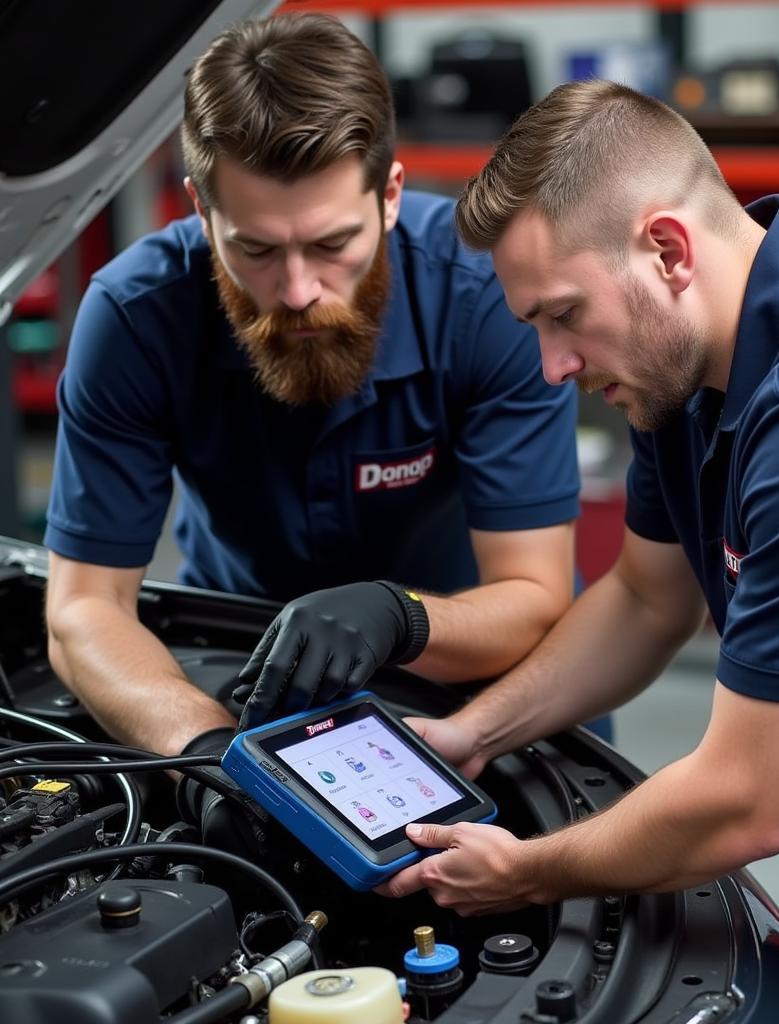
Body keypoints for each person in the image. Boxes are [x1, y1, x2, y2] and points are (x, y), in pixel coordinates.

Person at [378, 79, 779, 1024]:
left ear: (668, 250)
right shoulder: (685, 367)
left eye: (561, 315)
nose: (555, 366)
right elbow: (646, 598)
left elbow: (744, 802)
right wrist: (473, 732)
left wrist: (521, 874)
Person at [42, 13, 581, 760]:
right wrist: (203, 752)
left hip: (471, 674)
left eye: (333, 245)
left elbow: (535, 596)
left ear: (389, 195)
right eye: (255, 249)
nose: (297, 291)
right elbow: (83, 608)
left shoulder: (487, 301)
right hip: (239, 674)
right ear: (201, 210)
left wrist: (401, 617)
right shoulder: (136, 318)